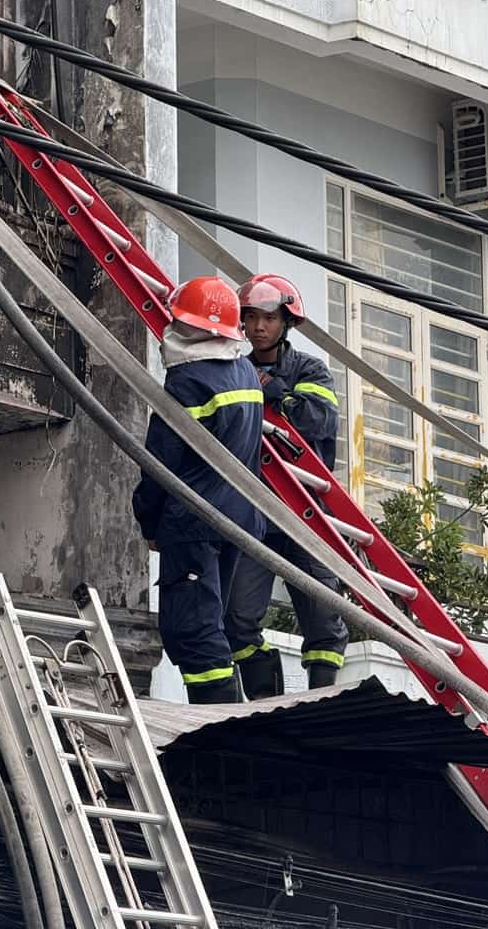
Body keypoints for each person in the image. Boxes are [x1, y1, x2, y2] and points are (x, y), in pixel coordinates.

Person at [132, 276, 267, 704]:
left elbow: (161, 464)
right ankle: (231, 717)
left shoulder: (189, 380)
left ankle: (216, 725)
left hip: (194, 523)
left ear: (191, 327)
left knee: (193, 629)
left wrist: (148, 521)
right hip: (239, 520)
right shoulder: (244, 371)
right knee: (215, 623)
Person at [224, 274, 349, 697]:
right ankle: (267, 703)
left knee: (324, 618)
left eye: (269, 318)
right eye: (251, 318)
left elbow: (318, 420)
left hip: (304, 511)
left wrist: (274, 391)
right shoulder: (233, 371)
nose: (259, 327)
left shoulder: (310, 370)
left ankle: (320, 702)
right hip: (254, 511)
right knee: (237, 618)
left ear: (287, 322)